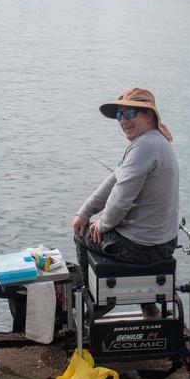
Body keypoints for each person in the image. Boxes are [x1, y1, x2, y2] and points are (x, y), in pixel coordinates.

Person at [72, 88, 180, 271]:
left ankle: (86, 290)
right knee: (86, 223)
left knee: (81, 234)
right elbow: (116, 179)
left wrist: (103, 224)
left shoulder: (143, 147)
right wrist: (84, 213)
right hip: (166, 243)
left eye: (129, 113)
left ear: (148, 115)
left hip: (141, 247)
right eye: (119, 115)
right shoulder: (157, 141)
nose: (123, 120)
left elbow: (120, 202)